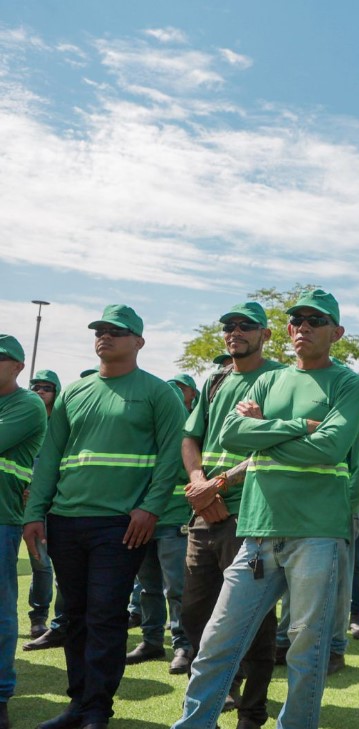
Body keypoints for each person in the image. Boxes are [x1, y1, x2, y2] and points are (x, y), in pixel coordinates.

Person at [173, 289, 359, 729]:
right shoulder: (269, 379)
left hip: (317, 531)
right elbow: (232, 436)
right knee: (218, 640)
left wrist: (264, 428)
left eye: (314, 320)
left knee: (306, 647)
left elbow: (332, 446)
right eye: (296, 320)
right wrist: (299, 427)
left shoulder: (348, 383)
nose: (302, 327)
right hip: (258, 532)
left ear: (336, 332)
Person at [23, 305, 187, 729]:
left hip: (120, 525)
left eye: (117, 331)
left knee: (105, 614)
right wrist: (35, 512)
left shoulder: (157, 393)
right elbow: (51, 457)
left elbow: (172, 455)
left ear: (139, 342)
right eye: (100, 330)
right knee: (73, 614)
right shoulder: (75, 393)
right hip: (66, 519)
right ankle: (78, 704)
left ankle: (98, 709)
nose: (105, 336)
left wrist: (151, 507)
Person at [181, 302, 282, 724]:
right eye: (229, 326)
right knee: (194, 613)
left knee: (254, 622)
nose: (235, 331)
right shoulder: (216, 380)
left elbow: (279, 443)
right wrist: (200, 481)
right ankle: (223, 691)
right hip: (205, 514)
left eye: (246, 326)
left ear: (265, 334)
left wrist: (219, 484)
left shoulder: (281, 379)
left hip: (252, 516)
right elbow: (191, 439)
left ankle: (252, 711)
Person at [125, 381, 194, 674]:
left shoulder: (186, 437)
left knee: (177, 587)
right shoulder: (141, 436)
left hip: (173, 520)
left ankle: (184, 645)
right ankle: (152, 640)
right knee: (147, 587)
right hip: (141, 521)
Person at [0, 335, 48, 729]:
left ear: (18, 367)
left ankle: (0, 693)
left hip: (2, 517)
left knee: (0, 610)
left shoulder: (26, 403)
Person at [24, 369, 67, 647]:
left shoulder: (63, 424)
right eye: (36, 387)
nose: (40, 391)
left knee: (45, 565)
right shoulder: (23, 417)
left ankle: (45, 620)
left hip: (49, 506)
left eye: (47, 388)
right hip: (15, 503)